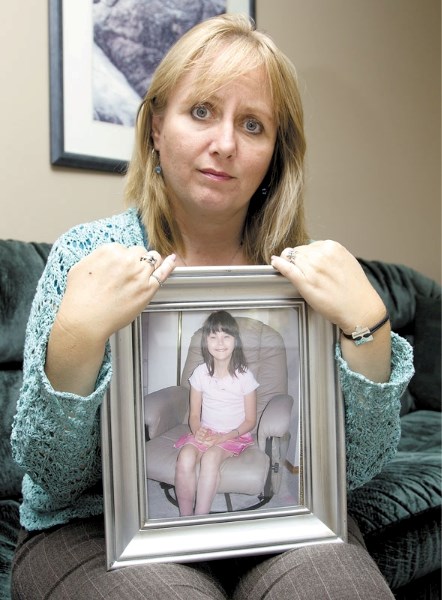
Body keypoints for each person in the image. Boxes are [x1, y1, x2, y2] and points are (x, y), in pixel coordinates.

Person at [10, 13, 413, 600]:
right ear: (154, 127)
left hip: (279, 523)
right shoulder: (87, 257)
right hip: (93, 529)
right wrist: (75, 338)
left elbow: (354, 470)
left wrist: (370, 332)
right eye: (201, 111)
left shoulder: (300, 278)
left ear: (275, 153)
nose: (224, 144)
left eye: (253, 125)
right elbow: (53, 476)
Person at [174, 310, 258, 516]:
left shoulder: (245, 376)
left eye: (226, 336)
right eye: (213, 336)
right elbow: (194, 415)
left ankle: (200, 519)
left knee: (210, 458)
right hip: (206, 431)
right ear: (206, 341)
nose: (220, 342)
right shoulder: (199, 373)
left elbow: (250, 420)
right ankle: (185, 520)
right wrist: (198, 431)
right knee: (185, 456)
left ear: (235, 341)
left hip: (232, 435)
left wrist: (224, 437)